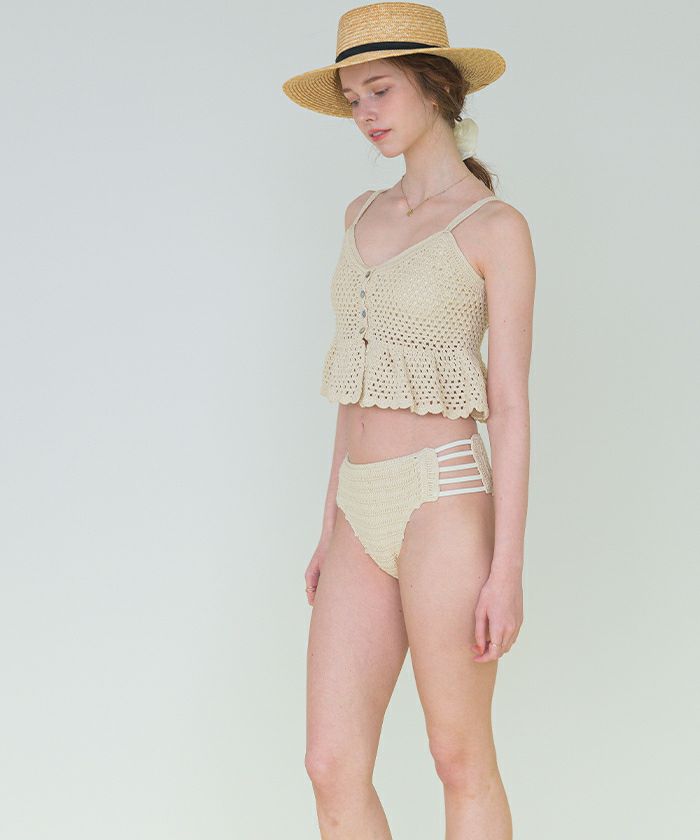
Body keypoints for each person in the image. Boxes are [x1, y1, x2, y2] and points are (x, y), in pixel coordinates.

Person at [282, 3, 535, 838]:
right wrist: (329, 523)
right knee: (330, 763)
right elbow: (352, 384)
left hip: (444, 500)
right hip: (359, 506)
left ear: (435, 87)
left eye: (380, 90)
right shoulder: (359, 213)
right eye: (353, 98)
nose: (366, 113)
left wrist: (506, 569)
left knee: (458, 758)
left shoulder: (494, 227)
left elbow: (510, 404)